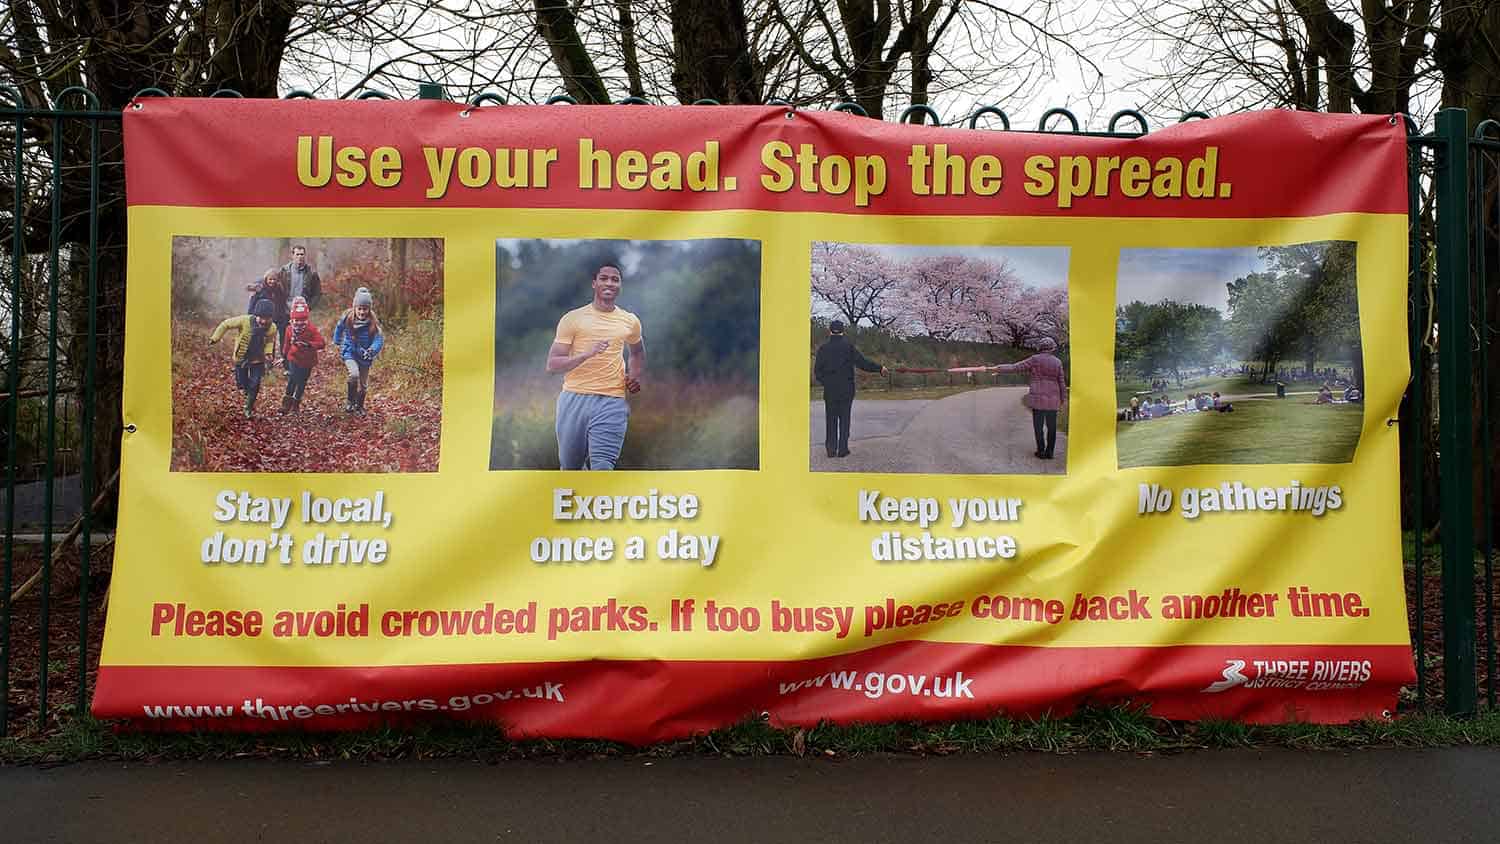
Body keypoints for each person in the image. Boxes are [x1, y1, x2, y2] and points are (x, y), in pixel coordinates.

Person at [546, 261, 645, 470]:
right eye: (604, 278)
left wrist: (634, 376)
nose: (610, 283)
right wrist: (586, 354)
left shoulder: (630, 321)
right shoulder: (572, 319)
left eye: (615, 279)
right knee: (570, 468)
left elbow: (637, 352)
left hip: (613, 401)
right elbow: (553, 364)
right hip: (574, 398)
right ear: (594, 283)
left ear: (620, 285)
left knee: (603, 466)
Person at [813, 320, 886, 458]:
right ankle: (842, 449)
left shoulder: (823, 349)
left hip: (830, 390)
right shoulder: (848, 347)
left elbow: (817, 371)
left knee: (831, 419)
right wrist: (879, 368)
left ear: (830, 331)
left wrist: (827, 383)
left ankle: (830, 449)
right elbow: (863, 363)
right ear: (842, 331)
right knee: (845, 419)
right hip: (847, 390)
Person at [989, 337, 1067, 460]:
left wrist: (999, 368)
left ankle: (1041, 451)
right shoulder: (1057, 362)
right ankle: (1050, 452)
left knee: (1038, 426)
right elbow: (1061, 382)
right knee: (1052, 427)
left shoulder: (1035, 359)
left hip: (1038, 398)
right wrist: (1063, 399)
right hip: (1053, 398)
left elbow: (1016, 367)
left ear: (1040, 348)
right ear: (1052, 348)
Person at [209, 299, 277, 419]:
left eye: (267, 318)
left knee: (255, 383)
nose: (264, 321)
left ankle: (248, 407)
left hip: (258, 359)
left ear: (271, 317)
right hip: (242, 358)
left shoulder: (272, 328)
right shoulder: (244, 321)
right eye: (261, 317)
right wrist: (215, 337)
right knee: (242, 383)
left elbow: (270, 342)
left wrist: (268, 353)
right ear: (256, 315)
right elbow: (226, 324)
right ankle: (247, 392)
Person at [332, 287, 384, 414]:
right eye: (359, 308)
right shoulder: (348, 318)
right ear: (355, 308)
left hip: (365, 356)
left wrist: (372, 350)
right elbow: (339, 327)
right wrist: (337, 341)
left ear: (369, 309)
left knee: (364, 385)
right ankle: (350, 401)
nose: (362, 312)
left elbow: (378, 339)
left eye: (365, 309)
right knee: (354, 374)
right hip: (350, 351)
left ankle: (359, 406)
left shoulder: (373, 322)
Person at [281, 297, 325, 413]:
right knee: (293, 379)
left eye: (303, 320)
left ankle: (296, 403)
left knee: (302, 382)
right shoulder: (289, 329)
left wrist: (309, 344)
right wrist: (283, 356)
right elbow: (286, 344)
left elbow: (321, 343)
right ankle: (286, 404)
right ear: (292, 319)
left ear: (307, 319)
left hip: (308, 361)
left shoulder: (311, 329)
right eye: (297, 320)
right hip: (293, 358)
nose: (300, 322)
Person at [248, 269, 290, 365]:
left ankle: (270, 362)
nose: (272, 281)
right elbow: (252, 304)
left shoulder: (279, 289)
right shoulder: (260, 289)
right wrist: (250, 317)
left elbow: (282, 304)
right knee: (261, 340)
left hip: (275, 319)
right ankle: (258, 361)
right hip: (261, 320)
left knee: (272, 341)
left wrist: (282, 317)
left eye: (274, 279)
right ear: (266, 279)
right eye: (270, 279)